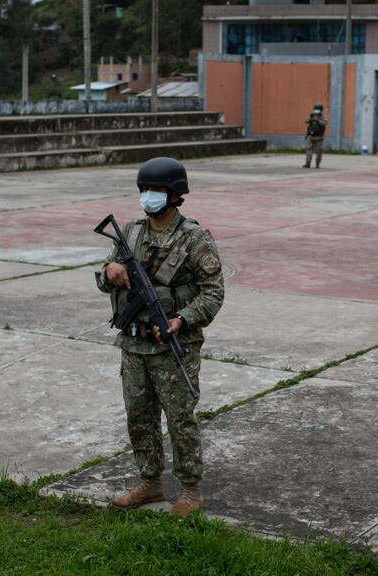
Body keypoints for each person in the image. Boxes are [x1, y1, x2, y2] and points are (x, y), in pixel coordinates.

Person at [95, 156, 225, 517]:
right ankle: (150, 483)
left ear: (175, 195)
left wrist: (182, 319)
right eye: (145, 189)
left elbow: (213, 292)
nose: (149, 196)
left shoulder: (194, 238)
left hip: (174, 347)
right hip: (133, 344)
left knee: (180, 419)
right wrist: (112, 271)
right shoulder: (131, 233)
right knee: (139, 417)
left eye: (157, 190)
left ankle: (190, 490)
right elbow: (102, 278)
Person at [304, 103, 327, 168]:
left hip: (319, 137)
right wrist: (311, 118)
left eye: (318, 109)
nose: (317, 111)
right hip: (311, 136)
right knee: (309, 150)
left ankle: (317, 164)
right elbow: (306, 121)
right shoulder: (312, 115)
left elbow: (324, 123)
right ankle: (308, 163)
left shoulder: (323, 116)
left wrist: (318, 120)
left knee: (318, 151)